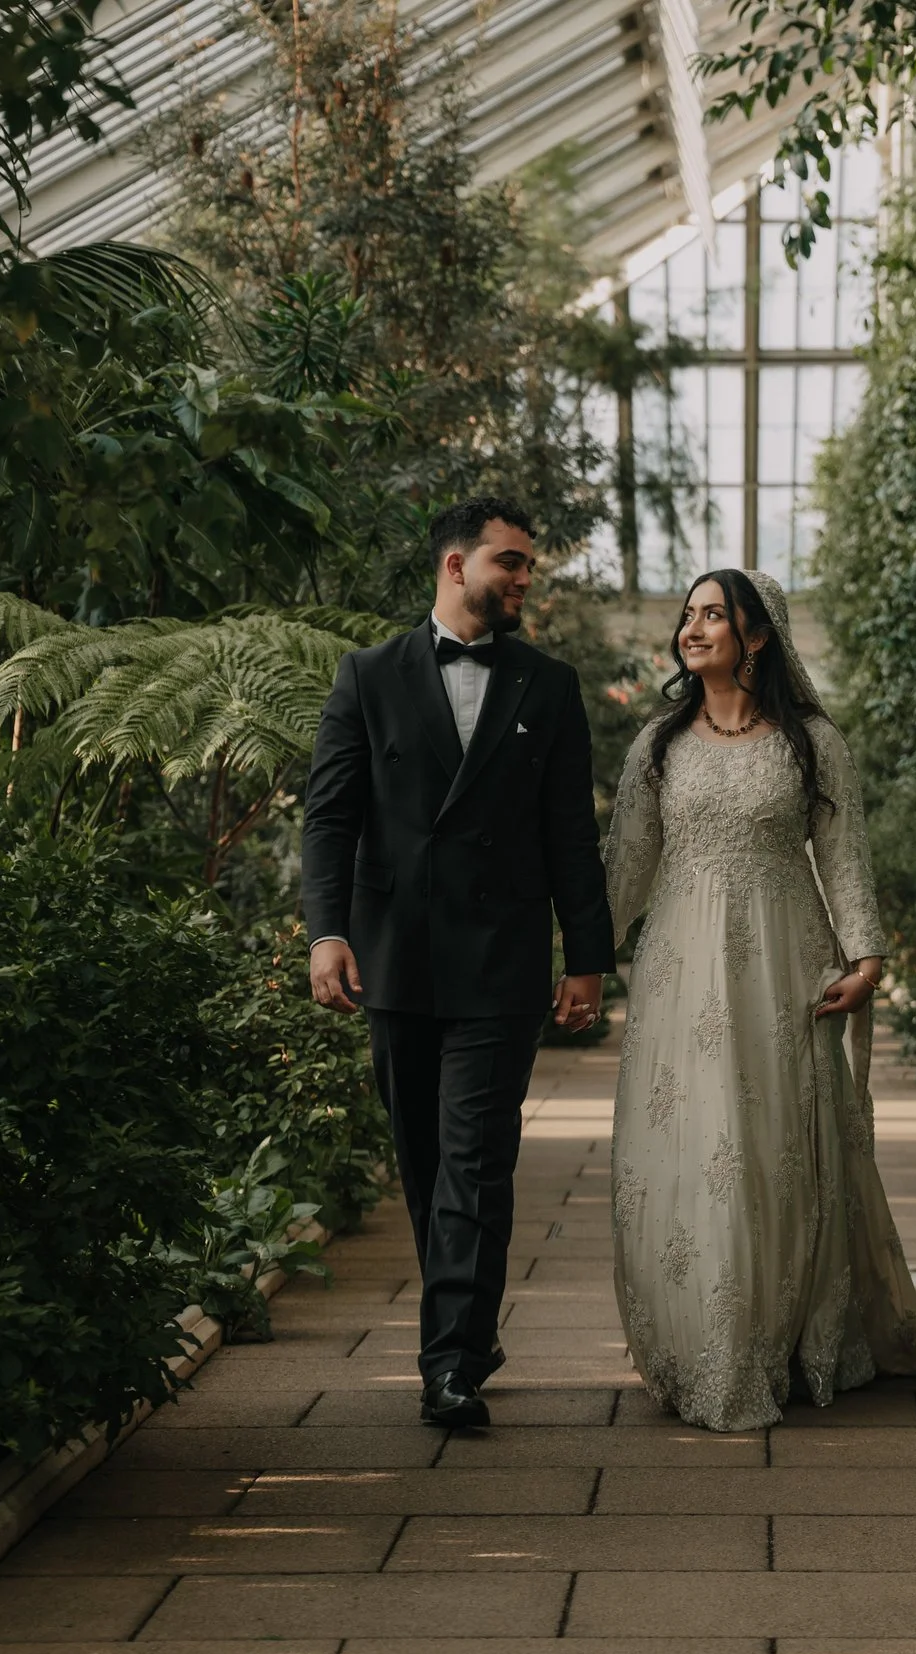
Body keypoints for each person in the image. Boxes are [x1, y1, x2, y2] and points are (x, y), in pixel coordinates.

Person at [602, 567, 916, 1432]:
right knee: (694, 1146)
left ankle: (789, 1337)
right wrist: (574, 961)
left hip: (784, 962)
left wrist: (869, 955)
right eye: (687, 615)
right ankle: (703, 1348)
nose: (692, 629)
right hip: (681, 967)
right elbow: (625, 866)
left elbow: (844, 856)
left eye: (712, 615)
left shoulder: (811, 743)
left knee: (774, 1148)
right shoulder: (657, 745)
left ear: (757, 635)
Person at [301, 497, 614, 1430]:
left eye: (528, 568)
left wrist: (587, 956)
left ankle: (447, 1366)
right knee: (425, 1158)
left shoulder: (547, 685)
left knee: (476, 1163)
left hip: (501, 961)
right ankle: (470, 1333)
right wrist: (327, 931)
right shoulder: (368, 676)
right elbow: (331, 817)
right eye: (509, 563)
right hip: (395, 960)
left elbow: (570, 834)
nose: (523, 581)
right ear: (454, 565)